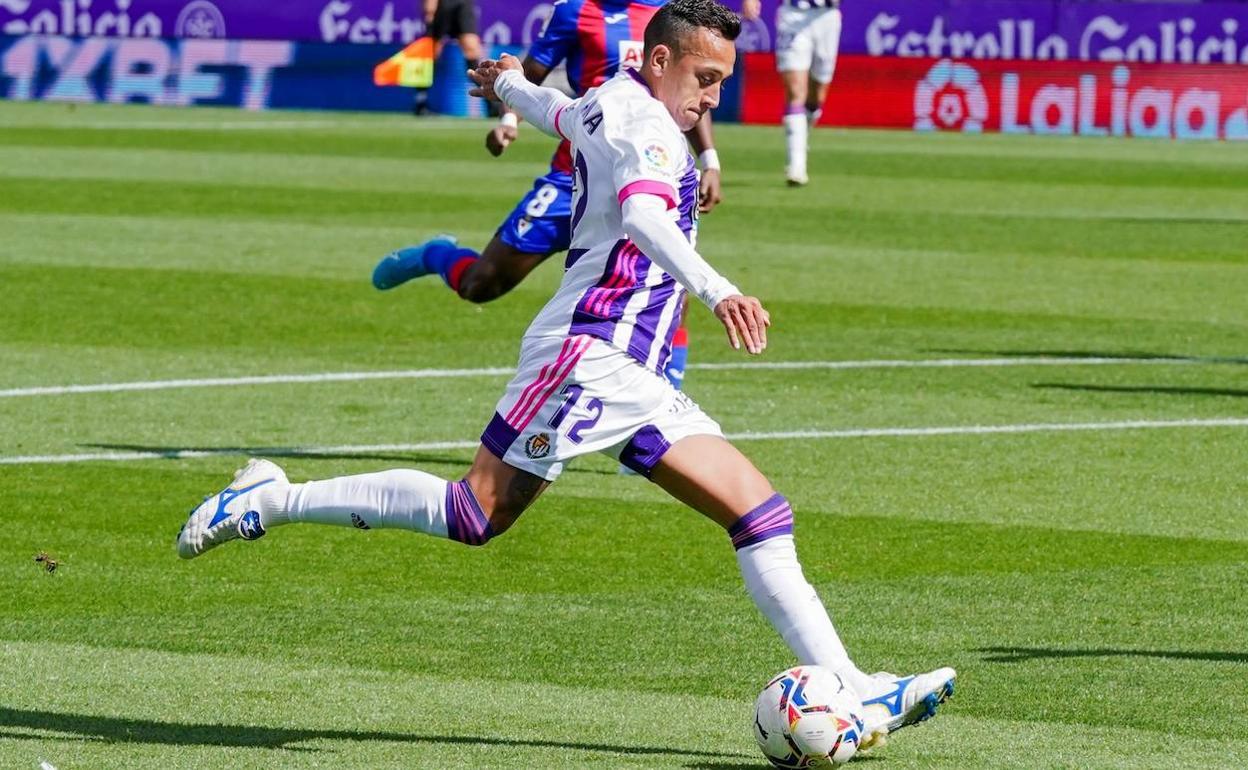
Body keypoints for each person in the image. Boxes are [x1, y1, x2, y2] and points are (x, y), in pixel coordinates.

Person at [176, 0, 953, 746]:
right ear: (660, 60)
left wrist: (508, 84)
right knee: (474, 512)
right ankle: (271, 498)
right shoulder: (646, 122)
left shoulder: (612, 96)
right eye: (705, 78)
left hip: (637, 370)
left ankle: (854, 682)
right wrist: (719, 292)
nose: (713, 95)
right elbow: (646, 216)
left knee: (760, 513)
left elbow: (557, 112)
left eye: (721, 78)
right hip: (592, 356)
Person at [374, 0, 726, 394]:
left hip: (644, 172)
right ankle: (435, 254)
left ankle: (663, 401)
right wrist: (509, 119)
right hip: (572, 175)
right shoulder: (575, 12)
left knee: (665, 285)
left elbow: (694, 90)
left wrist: (709, 159)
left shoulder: (670, 17)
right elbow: (536, 74)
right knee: (482, 284)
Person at [740, 0, 841, 186]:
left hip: (826, 16)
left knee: (817, 96)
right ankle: (796, 165)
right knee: (795, 91)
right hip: (793, 14)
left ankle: (802, 138)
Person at [414, 0, 486, 115]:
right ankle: (421, 101)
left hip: (462, 4)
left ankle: (491, 101)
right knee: (431, 52)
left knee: (471, 48)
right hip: (442, 5)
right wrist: (430, 10)